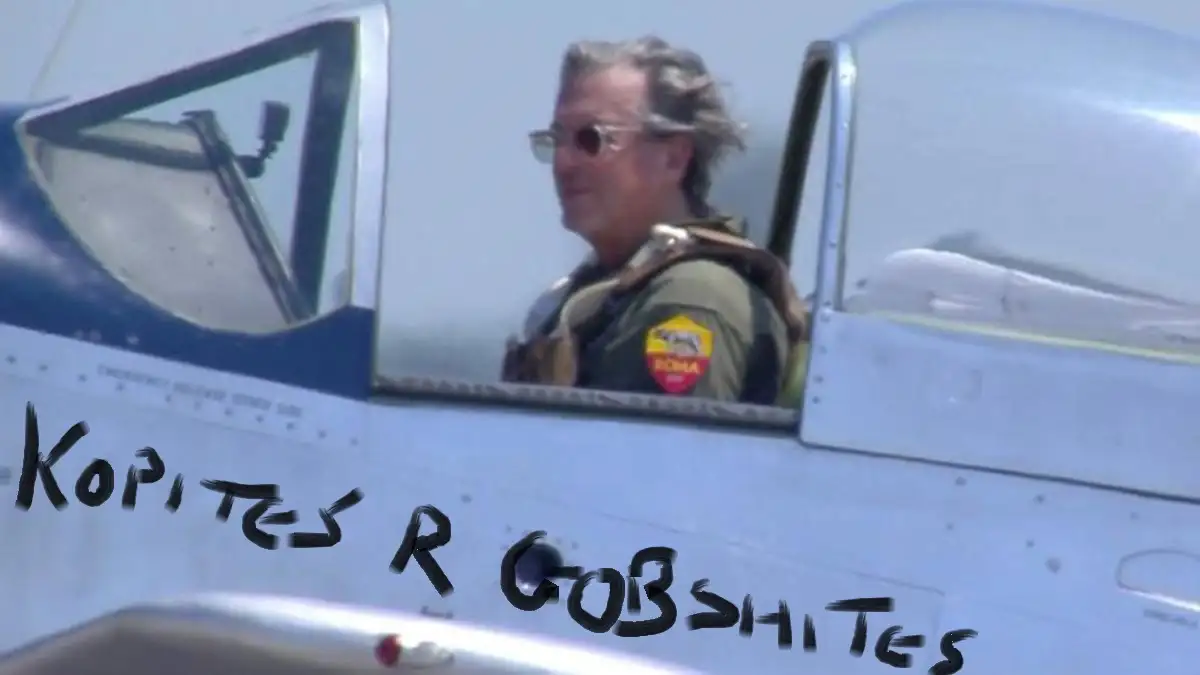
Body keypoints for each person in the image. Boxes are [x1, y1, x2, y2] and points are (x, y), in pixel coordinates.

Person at [501, 36, 808, 404]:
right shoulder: (595, 295)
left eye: (591, 139)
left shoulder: (690, 298)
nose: (563, 163)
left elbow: (673, 442)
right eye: (557, 139)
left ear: (673, 158)